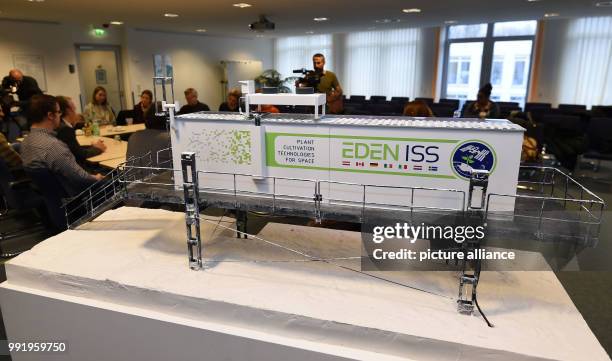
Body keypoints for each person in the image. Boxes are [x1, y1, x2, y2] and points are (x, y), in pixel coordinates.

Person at [21, 94, 103, 196]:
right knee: (117, 181)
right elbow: (79, 178)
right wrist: (97, 178)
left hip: (54, 200)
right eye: (59, 112)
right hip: (78, 199)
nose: (60, 115)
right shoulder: (53, 146)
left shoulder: (25, 142)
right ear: (50, 115)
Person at [56, 96, 106, 164]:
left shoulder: (60, 125)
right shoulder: (65, 130)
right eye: (74, 109)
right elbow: (81, 155)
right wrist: (98, 148)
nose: (76, 113)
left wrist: (92, 147)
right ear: (69, 110)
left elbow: (75, 149)